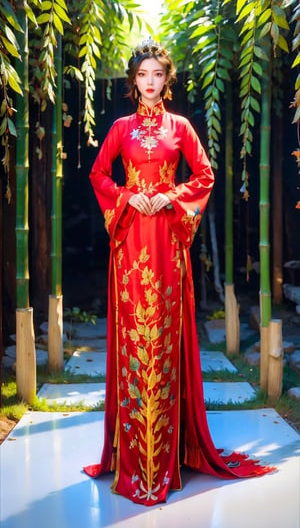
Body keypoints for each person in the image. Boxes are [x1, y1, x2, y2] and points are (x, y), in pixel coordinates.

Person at [83, 38, 275, 506]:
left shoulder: (182, 126)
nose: (150, 82)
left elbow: (204, 175)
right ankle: (133, 461)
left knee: (164, 344)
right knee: (134, 342)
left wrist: (170, 195)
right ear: (133, 81)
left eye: (158, 75)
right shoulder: (121, 128)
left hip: (169, 246)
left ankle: (168, 459)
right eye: (143, 75)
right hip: (130, 248)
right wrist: (129, 196)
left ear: (167, 81)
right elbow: (98, 175)